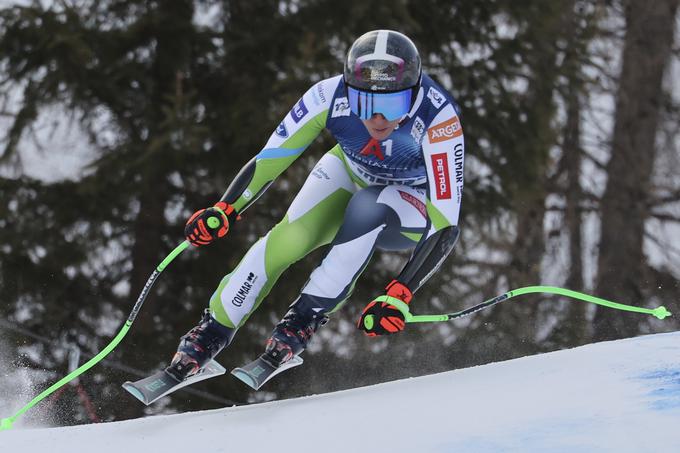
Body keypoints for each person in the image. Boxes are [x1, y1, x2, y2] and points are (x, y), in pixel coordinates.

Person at [167, 29, 465, 381]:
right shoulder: (327, 95)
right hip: (351, 171)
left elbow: (445, 220)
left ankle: (301, 322)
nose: (377, 120)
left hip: (412, 202)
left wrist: (401, 292)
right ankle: (208, 334)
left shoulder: (438, 117)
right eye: (365, 105)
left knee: (370, 205)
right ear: (349, 91)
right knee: (288, 239)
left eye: (391, 105)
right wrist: (226, 208)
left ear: (413, 94)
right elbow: (272, 158)